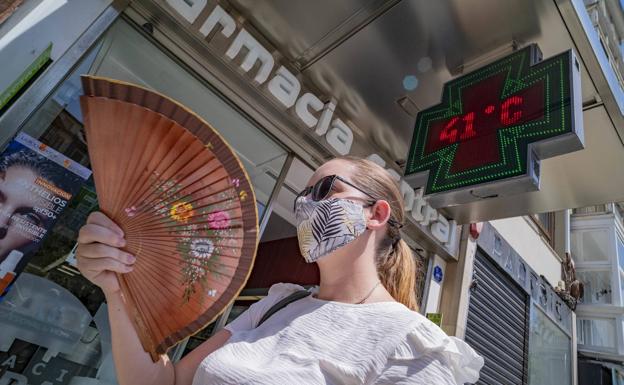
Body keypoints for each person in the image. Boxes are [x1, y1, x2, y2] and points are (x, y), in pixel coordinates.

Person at [75, 156, 484, 385]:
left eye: (324, 190)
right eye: (302, 196)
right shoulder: (278, 303)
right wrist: (117, 289)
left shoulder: (411, 346)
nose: (305, 206)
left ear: (376, 214)